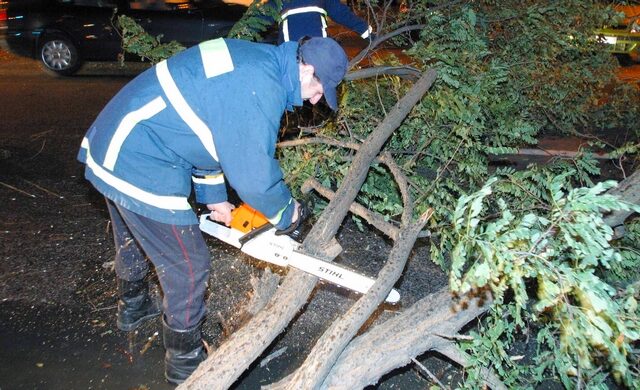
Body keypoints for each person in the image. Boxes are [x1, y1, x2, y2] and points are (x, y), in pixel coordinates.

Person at [77, 36, 348, 384]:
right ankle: (184, 363)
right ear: (306, 68)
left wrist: (215, 196)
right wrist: (288, 213)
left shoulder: (257, 61)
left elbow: (207, 128)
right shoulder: (260, 87)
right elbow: (253, 176)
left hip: (118, 139)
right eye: (318, 88)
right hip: (141, 158)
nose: (315, 99)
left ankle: (133, 306)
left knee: (133, 229)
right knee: (189, 266)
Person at [266, 0, 374, 44]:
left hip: (289, 53)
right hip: (318, 49)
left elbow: (260, 18)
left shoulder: (277, 2)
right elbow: (342, 14)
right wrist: (368, 33)